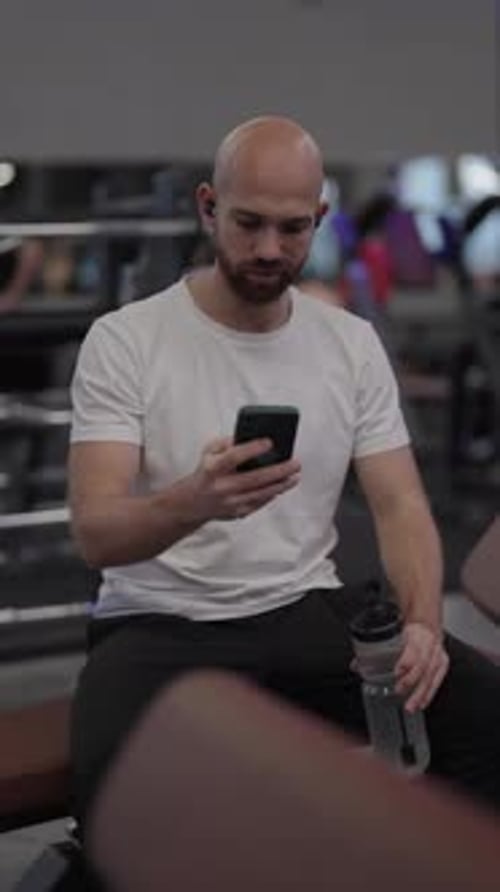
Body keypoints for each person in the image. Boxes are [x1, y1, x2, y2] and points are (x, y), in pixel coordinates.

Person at [69, 117, 500, 844]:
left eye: (292, 228)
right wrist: (192, 503)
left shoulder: (349, 344)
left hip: (303, 614)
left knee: (488, 720)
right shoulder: (126, 340)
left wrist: (424, 623)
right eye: (249, 223)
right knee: (116, 808)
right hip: (159, 625)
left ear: (321, 219)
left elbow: (400, 506)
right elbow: (97, 534)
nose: (270, 249)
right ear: (209, 207)